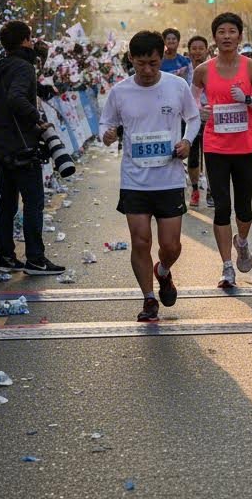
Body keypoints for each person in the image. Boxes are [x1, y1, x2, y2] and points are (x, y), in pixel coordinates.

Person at [100, 30, 200, 322]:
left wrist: (187, 141)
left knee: (171, 246)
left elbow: (193, 118)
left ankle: (164, 271)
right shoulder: (120, 92)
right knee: (140, 241)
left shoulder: (177, 86)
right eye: (140, 64)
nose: (146, 70)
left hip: (168, 178)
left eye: (153, 63)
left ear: (161, 58)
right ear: (131, 59)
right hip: (134, 180)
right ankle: (148, 298)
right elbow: (106, 125)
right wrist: (107, 135)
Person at [0, 20, 66, 276]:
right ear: (26, 41)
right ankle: (36, 260)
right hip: (21, 147)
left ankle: (6, 257)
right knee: (33, 202)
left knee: (7, 203)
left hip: (0, 147)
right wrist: (37, 120)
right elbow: (16, 98)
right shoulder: (24, 67)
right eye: (31, 38)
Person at [194, 13, 252, 288]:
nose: (226, 36)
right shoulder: (203, 70)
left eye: (232, 31)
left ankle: (242, 241)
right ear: (214, 37)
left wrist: (249, 99)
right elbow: (190, 104)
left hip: (245, 146)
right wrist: (200, 111)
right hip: (215, 146)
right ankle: (227, 266)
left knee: (244, 208)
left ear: (240, 36)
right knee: (221, 208)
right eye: (221, 32)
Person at [185, 34, 209, 207]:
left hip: (211, 118)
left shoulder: (214, 69)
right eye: (194, 48)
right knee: (193, 158)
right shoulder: (184, 71)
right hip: (190, 119)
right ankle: (194, 190)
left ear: (207, 50)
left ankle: (211, 191)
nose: (198, 52)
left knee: (211, 158)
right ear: (189, 52)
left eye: (201, 48)